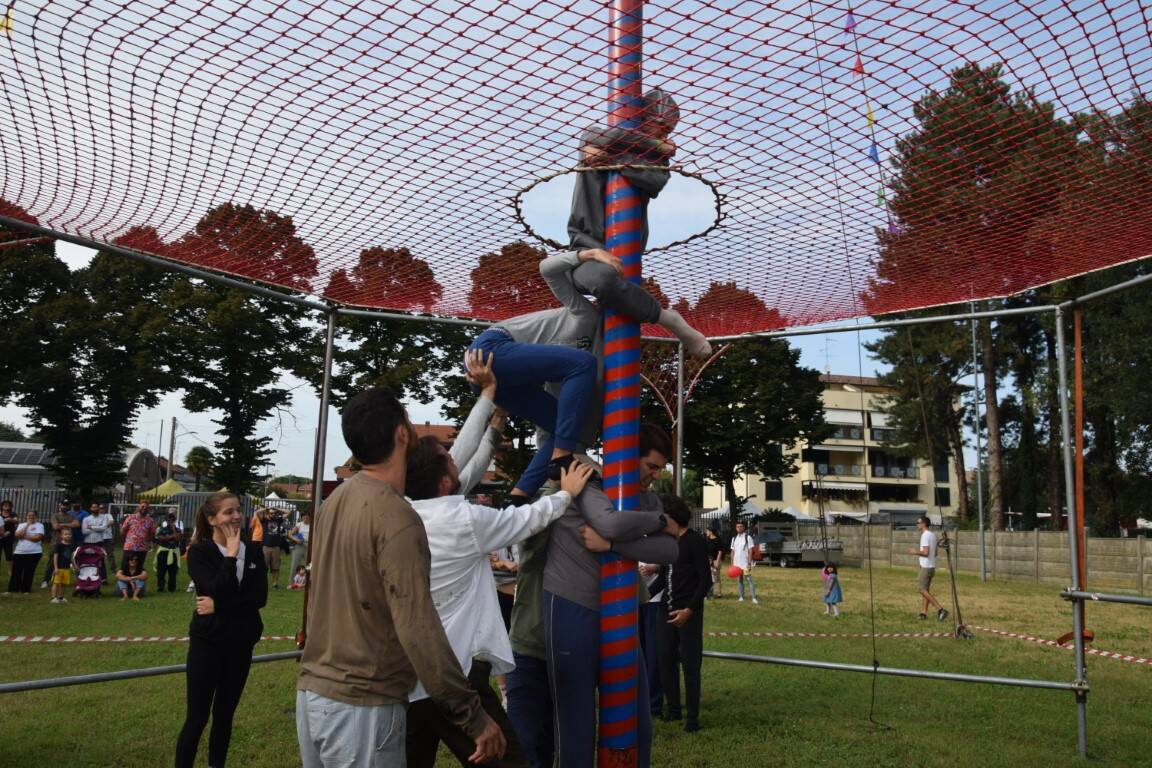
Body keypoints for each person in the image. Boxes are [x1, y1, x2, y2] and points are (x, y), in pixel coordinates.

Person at [296, 386, 504, 767]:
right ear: (401, 433)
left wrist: (489, 406)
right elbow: (419, 628)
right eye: (409, 419)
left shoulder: (335, 502)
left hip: (314, 695)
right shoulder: (397, 518)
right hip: (361, 708)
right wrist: (471, 715)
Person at [404, 405, 594, 768]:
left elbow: (465, 463)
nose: (456, 458)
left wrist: (492, 421)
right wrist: (565, 493)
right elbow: (524, 519)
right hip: (453, 676)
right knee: (509, 760)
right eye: (448, 457)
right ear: (444, 480)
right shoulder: (464, 519)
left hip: (410, 677)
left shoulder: (407, 511)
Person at [542, 424, 680, 768]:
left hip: (618, 613)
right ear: (627, 459)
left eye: (661, 468)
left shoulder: (647, 500)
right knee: (576, 725)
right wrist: (657, 521)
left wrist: (613, 546)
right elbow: (611, 523)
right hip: (572, 604)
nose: (656, 475)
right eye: (651, 466)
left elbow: (669, 549)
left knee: (637, 723)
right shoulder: (588, 476)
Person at [175, 492, 268, 768]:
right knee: (197, 718)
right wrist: (229, 553)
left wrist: (219, 605)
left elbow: (258, 598)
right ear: (212, 519)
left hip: (240, 644)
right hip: (208, 644)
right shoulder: (200, 553)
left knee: (225, 715)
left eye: (238, 510)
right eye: (228, 512)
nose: (236, 516)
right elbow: (213, 588)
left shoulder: (252, 550)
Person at [652, 495, 711, 732]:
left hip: (688, 612)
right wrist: (643, 596)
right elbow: (665, 577)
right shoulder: (669, 543)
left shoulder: (694, 541)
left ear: (672, 517)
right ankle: (673, 710)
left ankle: (692, 719)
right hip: (665, 611)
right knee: (665, 660)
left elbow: (705, 580)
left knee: (690, 664)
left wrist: (689, 609)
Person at [638, 559, 667, 718]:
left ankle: (653, 703)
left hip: (654, 600)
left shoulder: (660, 535)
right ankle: (641, 699)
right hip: (634, 598)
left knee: (653, 652)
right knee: (639, 651)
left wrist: (655, 567)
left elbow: (670, 559)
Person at [907, 515, 948, 621]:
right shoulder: (932, 535)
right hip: (931, 567)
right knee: (926, 590)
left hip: (925, 567)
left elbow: (926, 553)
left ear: (924, 524)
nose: (917, 524)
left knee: (921, 590)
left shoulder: (925, 535)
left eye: (918, 522)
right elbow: (935, 553)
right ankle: (923, 613)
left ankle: (941, 609)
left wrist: (914, 551)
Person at [42, 502, 78, 587]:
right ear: (60, 506)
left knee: (67, 560)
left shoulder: (71, 516)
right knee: (51, 562)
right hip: (56, 542)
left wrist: (62, 524)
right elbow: (55, 527)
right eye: (63, 505)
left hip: (67, 543)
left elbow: (77, 524)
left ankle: (64, 580)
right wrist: (69, 525)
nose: (65, 507)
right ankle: (45, 580)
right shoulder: (55, 516)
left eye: (66, 505)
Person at [8, 510, 45, 593]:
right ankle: (13, 589)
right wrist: (27, 525)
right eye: (29, 515)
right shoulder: (21, 525)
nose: (31, 517)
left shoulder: (40, 525)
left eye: (33, 515)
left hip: (34, 552)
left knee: (29, 571)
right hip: (19, 552)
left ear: (36, 516)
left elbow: (37, 538)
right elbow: (17, 535)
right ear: (26, 516)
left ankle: (26, 590)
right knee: (16, 571)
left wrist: (24, 536)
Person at [729, 520, 758, 604]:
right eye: (737, 526)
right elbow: (732, 551)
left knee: (749, 580)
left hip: (745, 563)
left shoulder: (747, 537)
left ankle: (753, 598)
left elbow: (750, 550)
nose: (739, 528)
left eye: (741, 526)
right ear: (736, 528)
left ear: (744, 527)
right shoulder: (734, 538)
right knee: (740, 580)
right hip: (736, 564)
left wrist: (749, 563)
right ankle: (741, 597)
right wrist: (732, 564)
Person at [120, 501, 155, 569]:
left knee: (139, 568)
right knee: (125, 567)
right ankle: (124, 579)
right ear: (139, 507)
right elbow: (123, 531)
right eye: (142, 506)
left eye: (146, 507)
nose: (144, 508)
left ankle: (137, 580)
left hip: (142, 548)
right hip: (129, 547)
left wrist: (148, 543)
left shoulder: (150, 520)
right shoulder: (130, 517)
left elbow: (151, 533)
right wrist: (127, 540)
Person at [155, 511, 184, 592]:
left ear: (174, 520)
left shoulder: (178, 530)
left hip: (173, 552)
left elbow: (178, 538)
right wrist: (172, 537)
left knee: (173, 571)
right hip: (163, 552)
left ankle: (172, 588)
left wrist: (173, 530)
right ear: (166, 520)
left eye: (172, 519)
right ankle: (160, 587)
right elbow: (160, 538)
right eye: (169, 519)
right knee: (161, 571)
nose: (170, 521)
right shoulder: (162, 529)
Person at [262, 508, 289, 589]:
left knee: (275, 567)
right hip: (266, 547)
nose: (273, 514)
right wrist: (266, 509)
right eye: (271, 513)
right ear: (268, 514)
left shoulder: (278, 520)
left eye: (275, 513)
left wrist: (276, 508)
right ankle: (263, 583)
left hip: (276, 547)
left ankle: (275, 583)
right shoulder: (265, 521)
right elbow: (257, 513)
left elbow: (288, 512)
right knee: (264, 567)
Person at [50, 527, 76, 604]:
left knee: (64, 584)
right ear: (61, 535)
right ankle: (53, 597)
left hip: (66, 568)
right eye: (65, 534)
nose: (67, 535)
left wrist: (74, 565)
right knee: (56, 583)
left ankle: (60, 597)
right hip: (59, 568)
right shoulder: (59, 545)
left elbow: (71, 556)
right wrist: (56, 568)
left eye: (69, 534)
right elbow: (55, 557)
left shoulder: (71, 545)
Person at [287, 511, 311, 582]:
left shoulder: (313, 524)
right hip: (299, 545)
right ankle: (291, 582)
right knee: (295, 563)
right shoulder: (299, 525)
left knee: (309, 564)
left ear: (310, 517)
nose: (306, 517)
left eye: (307, 515)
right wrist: (296, 540)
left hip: (309, 546)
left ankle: (307, 581)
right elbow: (290, 535)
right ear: (302, 517)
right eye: (304, 516)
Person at [705, 525, 724, 598]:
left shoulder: (717, 539)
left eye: (707, 531)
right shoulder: (707, 539)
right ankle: (710, 593)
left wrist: (717, 561)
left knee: (717, 577)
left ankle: (719, 593)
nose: (706, 532)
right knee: (710, 577)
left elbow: (720, 551)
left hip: (716, 560)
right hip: (708, 560)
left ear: (711, 531)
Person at [0, 499, 16, 577]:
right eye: (4, 505)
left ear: (10, 507)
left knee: (9, 554)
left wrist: (9, 519)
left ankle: (10, 570)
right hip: (0, 536)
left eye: (8, 505)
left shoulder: (12, 514)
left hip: (9, 537)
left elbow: (16, 521)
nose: (6, 506)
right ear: (2, 506)